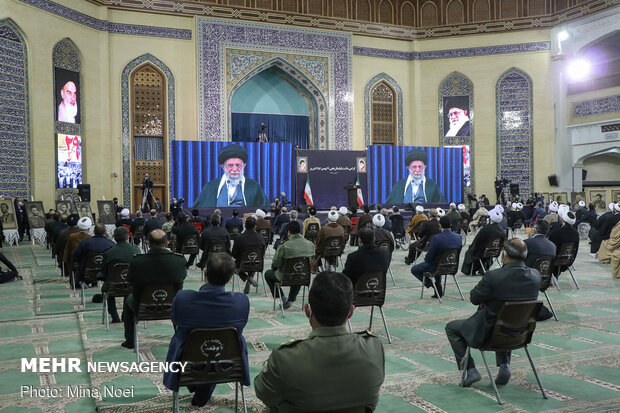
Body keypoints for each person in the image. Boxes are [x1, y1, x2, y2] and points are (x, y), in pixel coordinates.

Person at [254, 271, 385, 412]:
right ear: (351, 312)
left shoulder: (284, 358)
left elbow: (264, 394)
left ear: (307, 311)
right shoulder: (374, 347)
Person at [445, 238, 540, 387]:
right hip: (520, 334)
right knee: (509, 318)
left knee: (451, 328)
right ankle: (504, 366)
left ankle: (471, 370)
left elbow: (474, 298)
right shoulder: (536, 276)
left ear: (504, 254)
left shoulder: (493, 276)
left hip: (488, 335)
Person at [163, 252, 250, 408]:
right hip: (229, 365)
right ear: (230, 278)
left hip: (186, 364)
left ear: (205, 272)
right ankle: (202, 392)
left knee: (194, 343)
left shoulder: (183, 299)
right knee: (218, 345)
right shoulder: (242, 302)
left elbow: (176, 323)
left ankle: (200, 387)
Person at [121, 229, 186, 349]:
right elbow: (182, 278)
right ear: (166, 243)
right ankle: (181, 338)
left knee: (128, 300)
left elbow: (129, 280)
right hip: (173, 305)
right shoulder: (178, 260)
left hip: (141, 305)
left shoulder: (137, 261)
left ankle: (130, 341)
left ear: (148, 243)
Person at [193, 145, 269, 207]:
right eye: (230, 165)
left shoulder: (253, 186)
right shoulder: (211, 186)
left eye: (238, 165)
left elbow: (264, 209)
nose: (235, 169)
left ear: (244, 166)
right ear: (223, 167)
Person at [264, 220, 315, 308]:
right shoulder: (310, 244)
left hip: (285, 276)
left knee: (268, 274)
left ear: (289, 232)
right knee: (299, 273)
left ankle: (283, 298)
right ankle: (291, 300)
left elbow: (276, 262)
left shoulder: (284, 245)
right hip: (304, 276)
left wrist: (274, 267)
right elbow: (312, 260)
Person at [411, 216, 462, 298]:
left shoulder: (436, 238)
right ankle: (438, 285)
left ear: (440, 225)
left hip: (437, 267)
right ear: (451, 224)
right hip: (452, 265)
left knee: (414, 269)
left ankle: (433, 286)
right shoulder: (458, 237)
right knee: (439, 262)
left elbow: (428, 258)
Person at [98, 227, 141, 323]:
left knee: (109, 288)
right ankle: (125, 314)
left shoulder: (109, 253)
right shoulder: (136, 250)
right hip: (131, 286)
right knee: (128, 287)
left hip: (113, 286)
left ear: (115, 238)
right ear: (127, 238)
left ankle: (114, 316)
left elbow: (103, 272)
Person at [461, 208, 506, 275]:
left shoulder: (486, 229)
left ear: (491, 219)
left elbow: (477, 241)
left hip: (481, 252)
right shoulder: (502, 231)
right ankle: (483, 268)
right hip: (494, 253)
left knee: (470, 252)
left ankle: (470, 271)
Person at [231, 216, 265, 294]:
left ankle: (247, 278)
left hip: (241, 265)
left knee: (230, 264)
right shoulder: (261, 238)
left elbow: (234, 255)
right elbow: (262, 254)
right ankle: (250, 278)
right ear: (255, 226)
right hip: (257, 265)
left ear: (245, 226)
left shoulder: (239, 238)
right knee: (252, 263)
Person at [547, 210, 580, 276]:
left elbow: (550, 247)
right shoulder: (576, 234)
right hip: (568, 261)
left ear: (563, 220)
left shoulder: (556, 232)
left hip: (555, 261)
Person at [63, 217, 92, 285]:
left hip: (74, 261)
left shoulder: (72, 237)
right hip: (87, 263)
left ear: (78, 227)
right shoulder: (90, 238)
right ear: (88, 228)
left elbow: (67, 250)